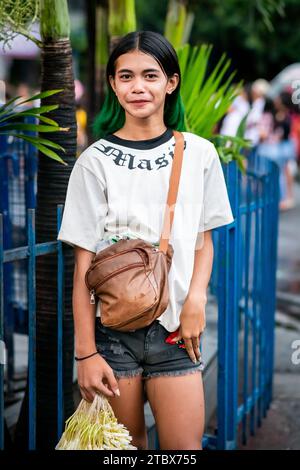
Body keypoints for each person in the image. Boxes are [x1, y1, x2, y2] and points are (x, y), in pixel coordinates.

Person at [57, 31, 234, 451]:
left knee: (183, 449)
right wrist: (86, 353)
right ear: (113, 84)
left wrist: (195, 302)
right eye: (126, 76)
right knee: (126, 446)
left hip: (176, 332)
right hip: (114, 335)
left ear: (171, 82)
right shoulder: (94, 161)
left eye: (150, 75)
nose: (138, 87)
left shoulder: (200, 153)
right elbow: (84, 265)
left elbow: (202, 242)